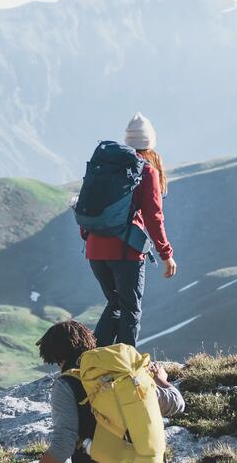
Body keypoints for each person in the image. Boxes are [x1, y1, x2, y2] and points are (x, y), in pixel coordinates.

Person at [82, 113, 178, 347]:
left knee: (115, 304)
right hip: (125, 252)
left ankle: (93, 360)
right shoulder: (146, 171)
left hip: (94, 250)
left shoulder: (104, 166)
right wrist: (166, 254)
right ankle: (126, 367)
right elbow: (154, 217)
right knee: (130, 310)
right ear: (150, 142)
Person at [37, 320, 185, 463]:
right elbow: (177, 403)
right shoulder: (125, 378)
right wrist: (161, 379)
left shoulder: (66, 385)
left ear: (57, 358)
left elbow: (63, 444)